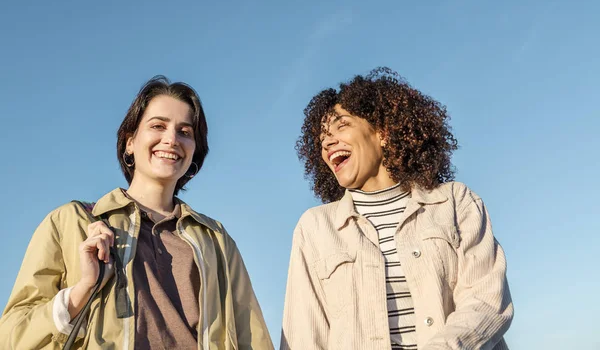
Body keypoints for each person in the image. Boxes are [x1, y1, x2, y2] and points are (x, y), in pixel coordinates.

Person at [0, 76, 274, 349]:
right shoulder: (71, 222)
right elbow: (12, 336)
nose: (171, 139)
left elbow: (253, 338)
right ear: (130, 141)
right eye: (158, 126)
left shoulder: (216, 240)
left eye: (185, 132)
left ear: (194, 151)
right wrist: (84, 288)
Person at [281, 67, 513, 349]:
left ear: (383, 133)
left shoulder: (455, 202)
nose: (328, 141)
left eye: (342, 126)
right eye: (322, 137)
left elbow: (486, 302)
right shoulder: (314, 228)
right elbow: (304, 335)